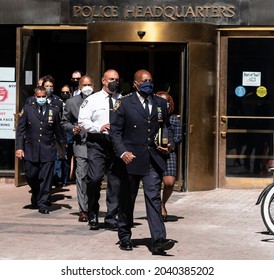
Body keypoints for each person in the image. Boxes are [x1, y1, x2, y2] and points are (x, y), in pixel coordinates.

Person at [110, 69, 176, 255]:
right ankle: (124, 235)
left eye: (151, 80)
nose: (148, 83)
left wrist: (168, 144)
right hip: (131, 159)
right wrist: (122, 152)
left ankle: (158, 240)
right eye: (144, 81)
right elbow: (115, 132)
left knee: (154, 198)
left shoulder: (160, 103)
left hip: (153, 158)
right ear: (135, 84)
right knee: (127, 199)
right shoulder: (123, 103)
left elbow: (167, 128)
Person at [78, 69, 121, 230]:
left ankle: (111, 217)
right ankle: (93, 212)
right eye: (111, 79)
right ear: (103, 80)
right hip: (97, 143)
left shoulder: (121, 100)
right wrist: (98, 127)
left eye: (116, 79)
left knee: (115, 183)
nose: (114, 82)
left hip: (115, 145)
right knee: (95, 179)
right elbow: (82, 121)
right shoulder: (92, 100)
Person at [15, 86, 65, 214]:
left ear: (46, 97)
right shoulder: (28, 110)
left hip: (48, 150)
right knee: (31, 175)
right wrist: (19, 147)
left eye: (44, 96)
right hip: (31, 149)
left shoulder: (53, 111)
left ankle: (43, 203)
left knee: (46, 178)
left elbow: (58, 132)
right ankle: (36, 194)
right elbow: (20, 131)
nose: (41, 99)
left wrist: (63, 148)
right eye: (39, 96)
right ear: (35, 96)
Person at [61, 75, 95, 222]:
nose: (87, 86)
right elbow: (64, 122)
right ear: (79, 87)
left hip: (98, 144)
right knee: (81, 176)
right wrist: (72, 128)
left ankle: (94, 206)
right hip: (81, 143)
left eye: (90, 84)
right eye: (84, 84)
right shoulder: (71, 102)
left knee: (94, 178)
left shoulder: (100, 100)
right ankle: (84, 209)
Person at [155, 91, 182, 221]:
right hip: (153, 153)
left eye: (166, 102)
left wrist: (171, 145)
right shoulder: (151, 118)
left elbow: (178, 137)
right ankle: (155, 208)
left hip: (169, 153)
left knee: (169, 183)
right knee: (153, 183)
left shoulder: (173, 119)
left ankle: (162, 203)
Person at [54, 85, 73, 187]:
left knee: (66, 159)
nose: (65, 94)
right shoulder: (58, 103)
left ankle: (65, 179)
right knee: (57, 157)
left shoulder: (72, 103)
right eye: (63, 92)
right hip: (59, 134)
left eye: (67, 92)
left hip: (69, 134)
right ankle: (57, 178)